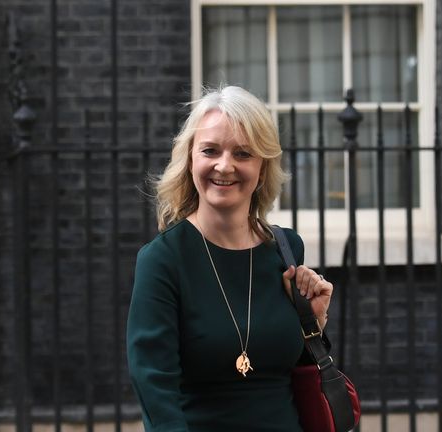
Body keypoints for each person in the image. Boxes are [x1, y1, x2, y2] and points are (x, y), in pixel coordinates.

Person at [126, 86, 333, 431]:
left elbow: (292, 369)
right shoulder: (162, 260)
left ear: (263, 167)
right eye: (210, 150)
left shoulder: (286, 249)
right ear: (191, 159)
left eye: (242, 153)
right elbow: (155, 386)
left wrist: (313, 324)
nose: (225, 166)